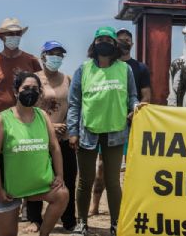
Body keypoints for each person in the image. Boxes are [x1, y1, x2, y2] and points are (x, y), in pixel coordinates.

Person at [0, 72, 69, 236]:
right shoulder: (2, 120)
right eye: (26, 88)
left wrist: (59, 175)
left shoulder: (42, 116)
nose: (30, 92)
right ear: (16, 91)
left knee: (62, 194)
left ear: (40, 93)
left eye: (35, 89)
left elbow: (54, 147)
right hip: (6, 185)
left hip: (33, 184)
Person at [67, 27, 139, 236]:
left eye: (108, 39)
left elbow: (132, 97)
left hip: (116, 132)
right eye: (100, 39)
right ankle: (82, 223)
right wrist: (73, 131)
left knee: (113, 181)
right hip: (88, 132)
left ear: (114, 45)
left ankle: (116, 223)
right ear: (94, 44)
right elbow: (74, 103)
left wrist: (135, 108)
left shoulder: (125, 70)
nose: (104, 43)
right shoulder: (83, 69)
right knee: (85, 180)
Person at [89, 28, 151, 216]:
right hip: (108, 127)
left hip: (132, 127)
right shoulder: (105, 65)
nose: (124, 42)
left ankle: (129, 209)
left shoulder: (140, 68)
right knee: (101, 170)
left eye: (127, 39)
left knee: (133, 171)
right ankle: (94, 206)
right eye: (120, 39)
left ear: (132, 43)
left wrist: (134, 112)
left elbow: (146, 96)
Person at [26, 41, 76, 232]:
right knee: (37, 179)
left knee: (68, 178)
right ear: (43, 56)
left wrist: (71, 131)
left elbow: (73, 108)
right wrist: (50, 126)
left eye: (59, 55)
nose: (56, 57)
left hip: (63, 138)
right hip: (39, 137)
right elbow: (28, 109)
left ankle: (69, 219)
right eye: (52, 54)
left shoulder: (68, 79)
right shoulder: (34, 80)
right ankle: (34, 218)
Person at [0, 18, 42, 130]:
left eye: (17, 33)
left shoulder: (31, 60)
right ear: (1, 36)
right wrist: (1, 109)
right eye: (10, 34)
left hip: (26, 121)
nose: (14, 36)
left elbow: (41, 90)